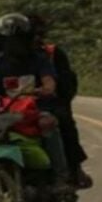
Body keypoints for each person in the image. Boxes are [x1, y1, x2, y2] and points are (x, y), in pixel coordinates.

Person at [0, 13, 73, 194]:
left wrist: (46, 88)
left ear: (26, 40)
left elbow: (49, 80)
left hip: (35, 110)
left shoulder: (39, 60)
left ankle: (60, 177)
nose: (12, 46)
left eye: (17, 41)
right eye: (7, 41)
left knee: (48, 124)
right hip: (3, 113)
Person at [26, 13, 93, 190]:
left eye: (38, 34)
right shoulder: (9, 58)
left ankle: (73, 169)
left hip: (50, 103)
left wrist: (52, 94)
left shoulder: (51, 54)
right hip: (18, 105)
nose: (36, 38)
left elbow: (66, 84)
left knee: (63, 121)